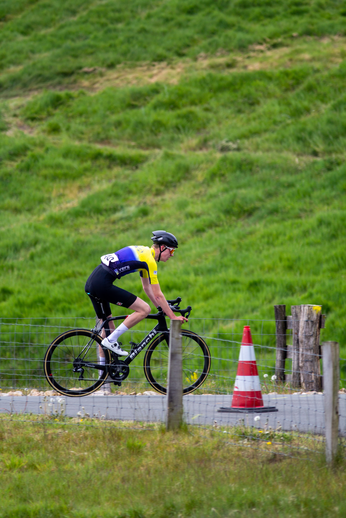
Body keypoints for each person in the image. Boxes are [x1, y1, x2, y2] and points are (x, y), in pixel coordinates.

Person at [85, 230, 188, 357]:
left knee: (109, 330)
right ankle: (111, 341)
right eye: (171, 251)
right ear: (162, 248)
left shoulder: (144, 254)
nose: (172, 255)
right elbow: (158, 294)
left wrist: (161, 307)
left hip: (93, 282)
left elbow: (147, 288)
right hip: (101, 284)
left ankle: (102, 375)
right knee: (144, 309)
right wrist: (173, 317)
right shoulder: (149, 261)